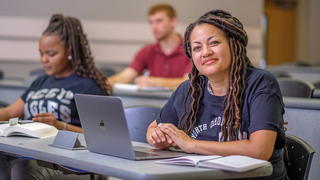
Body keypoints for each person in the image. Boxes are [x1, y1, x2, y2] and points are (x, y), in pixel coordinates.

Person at [146, 9, 288, 179]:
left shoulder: (261, 83)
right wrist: (156, 136)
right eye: (197, 48)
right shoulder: (189, 89)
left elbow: (259, 150)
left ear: (232, 44)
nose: (205, 52)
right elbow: (153, 127)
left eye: (213, 43)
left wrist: (191, 144)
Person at [0, 14, 112, 180]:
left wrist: (60, 126)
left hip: (71, 164)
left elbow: (104, 136)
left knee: (23, 170)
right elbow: (10, 113)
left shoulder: (88, 85)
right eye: (41, 53)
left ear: (70, 52)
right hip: (35, 153)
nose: (44, 60)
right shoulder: (41, 81)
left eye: (51, 54)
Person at [109, 3, 191, 89]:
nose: (154, 27)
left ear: (173, 21)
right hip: (152, 101)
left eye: (159, 21)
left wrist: (153, 82)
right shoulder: (147, 51)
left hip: (182, 101)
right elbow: (125, 77)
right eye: (151, 22)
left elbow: (188, 82)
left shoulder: (190, 50)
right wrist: (101, 83)